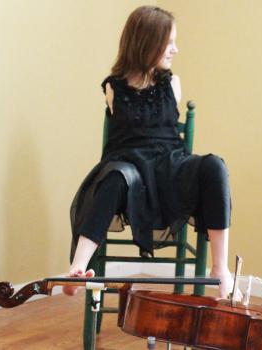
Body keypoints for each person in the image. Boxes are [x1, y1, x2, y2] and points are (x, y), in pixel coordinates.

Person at [64, 6, 235, 299]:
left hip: (170, 166)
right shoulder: (114, 88)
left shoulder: (173, 83)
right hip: (129, 168)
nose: (175, 50)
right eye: (169, 42)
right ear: (147, 42)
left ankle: (220, 268)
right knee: (114, 178)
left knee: (214, 166)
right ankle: (77, 269)